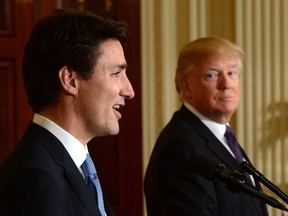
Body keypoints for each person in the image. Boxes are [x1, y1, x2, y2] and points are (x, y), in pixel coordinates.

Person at [0, 9, 134, 216]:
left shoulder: (77, 165)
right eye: (116, 73)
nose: (129, 91)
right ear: (70, 80)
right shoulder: (34, 178)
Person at [144, 37, 269, 216]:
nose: (226, 84)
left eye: (232, 73)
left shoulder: (221, 136)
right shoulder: (180, 148)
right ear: (186, 87)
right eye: (212, 75)